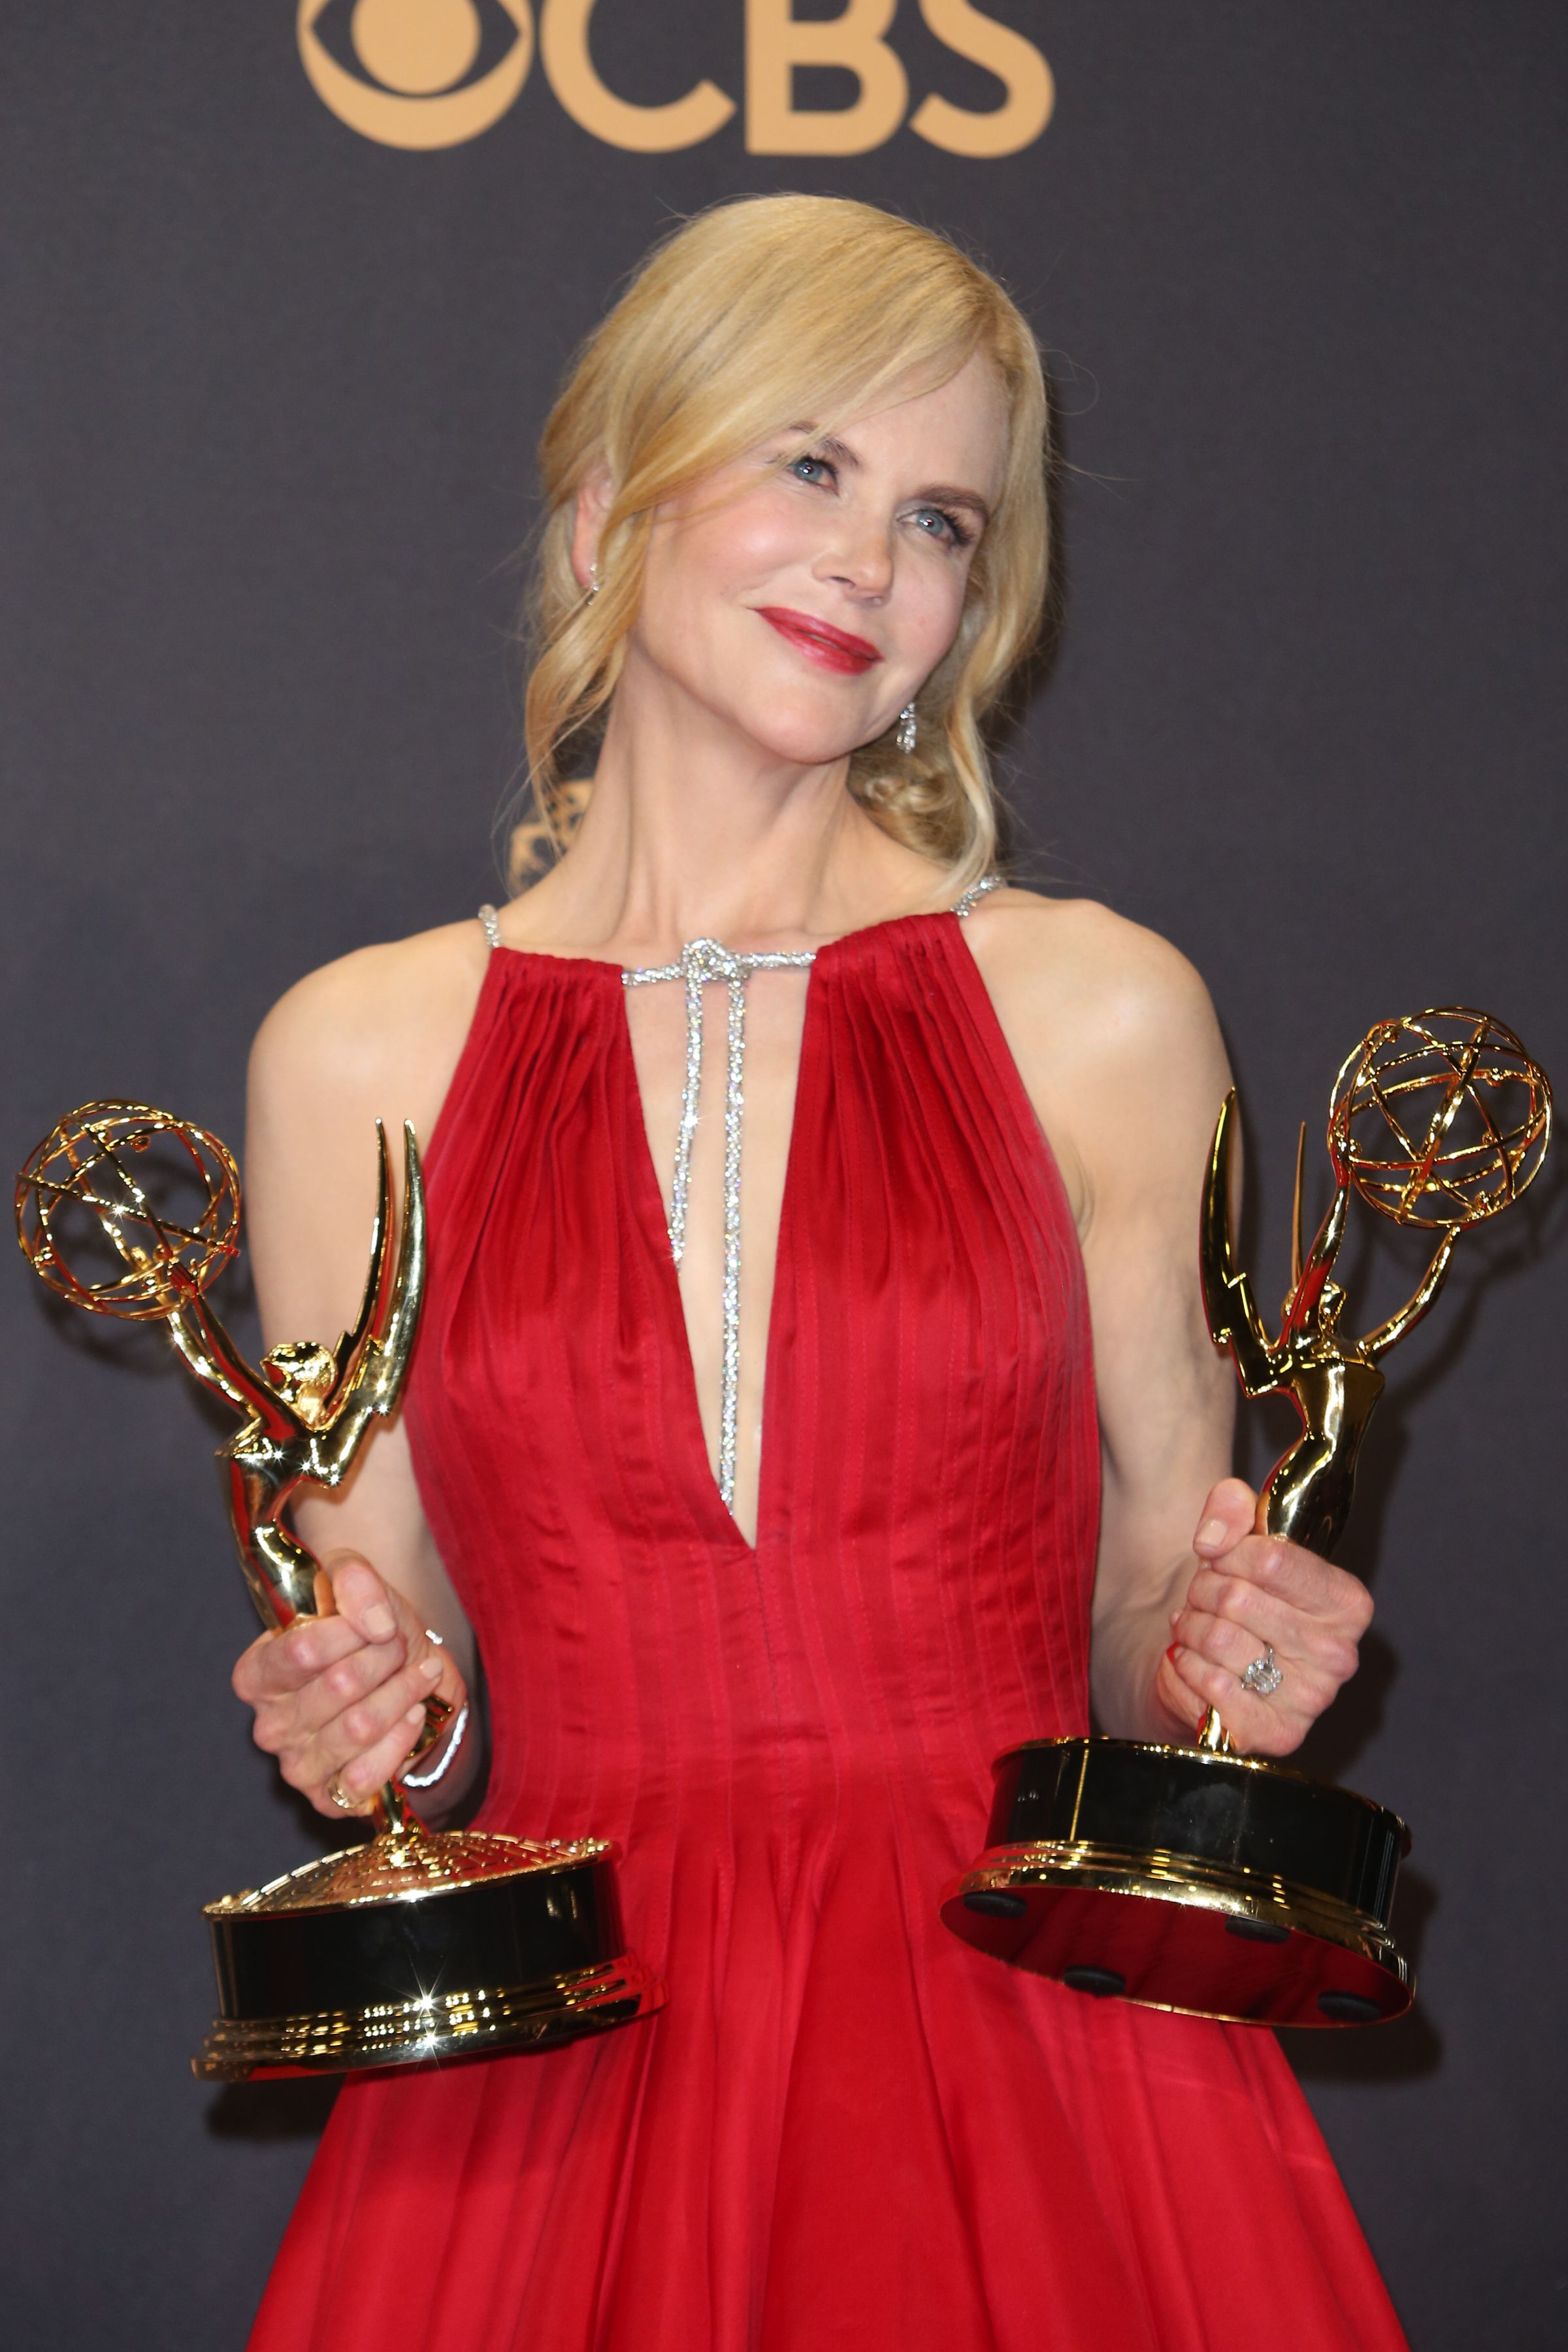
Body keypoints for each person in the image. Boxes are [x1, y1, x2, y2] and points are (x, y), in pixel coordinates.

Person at [235, 194, 1405, 2350]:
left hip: (1028, 2057)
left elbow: (1150, 1618)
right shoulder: (355, 1056)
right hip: (567, 2072)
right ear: (608, 504)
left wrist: (1226, 1658)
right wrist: (362, 1716)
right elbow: (407, 1690)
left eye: (941, 517)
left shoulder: (1100, 1012)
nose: (874, 562)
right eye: (811, 464)